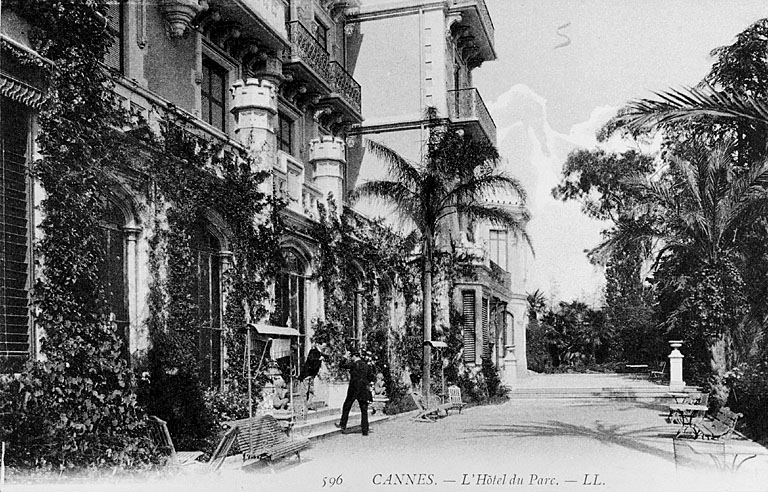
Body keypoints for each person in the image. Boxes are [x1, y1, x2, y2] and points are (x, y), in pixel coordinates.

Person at [336, 348, 373, 436]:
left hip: (353, 389)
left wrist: (344, 357)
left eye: (351, 356)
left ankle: (343, 425)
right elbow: (371, 377)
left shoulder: (353, 364)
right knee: (364, 410)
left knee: (347, 406)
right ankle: (365, 430)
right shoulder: (366, 365)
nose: (351, 358)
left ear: (354, 356)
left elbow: (341, 365)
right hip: (363, 390)